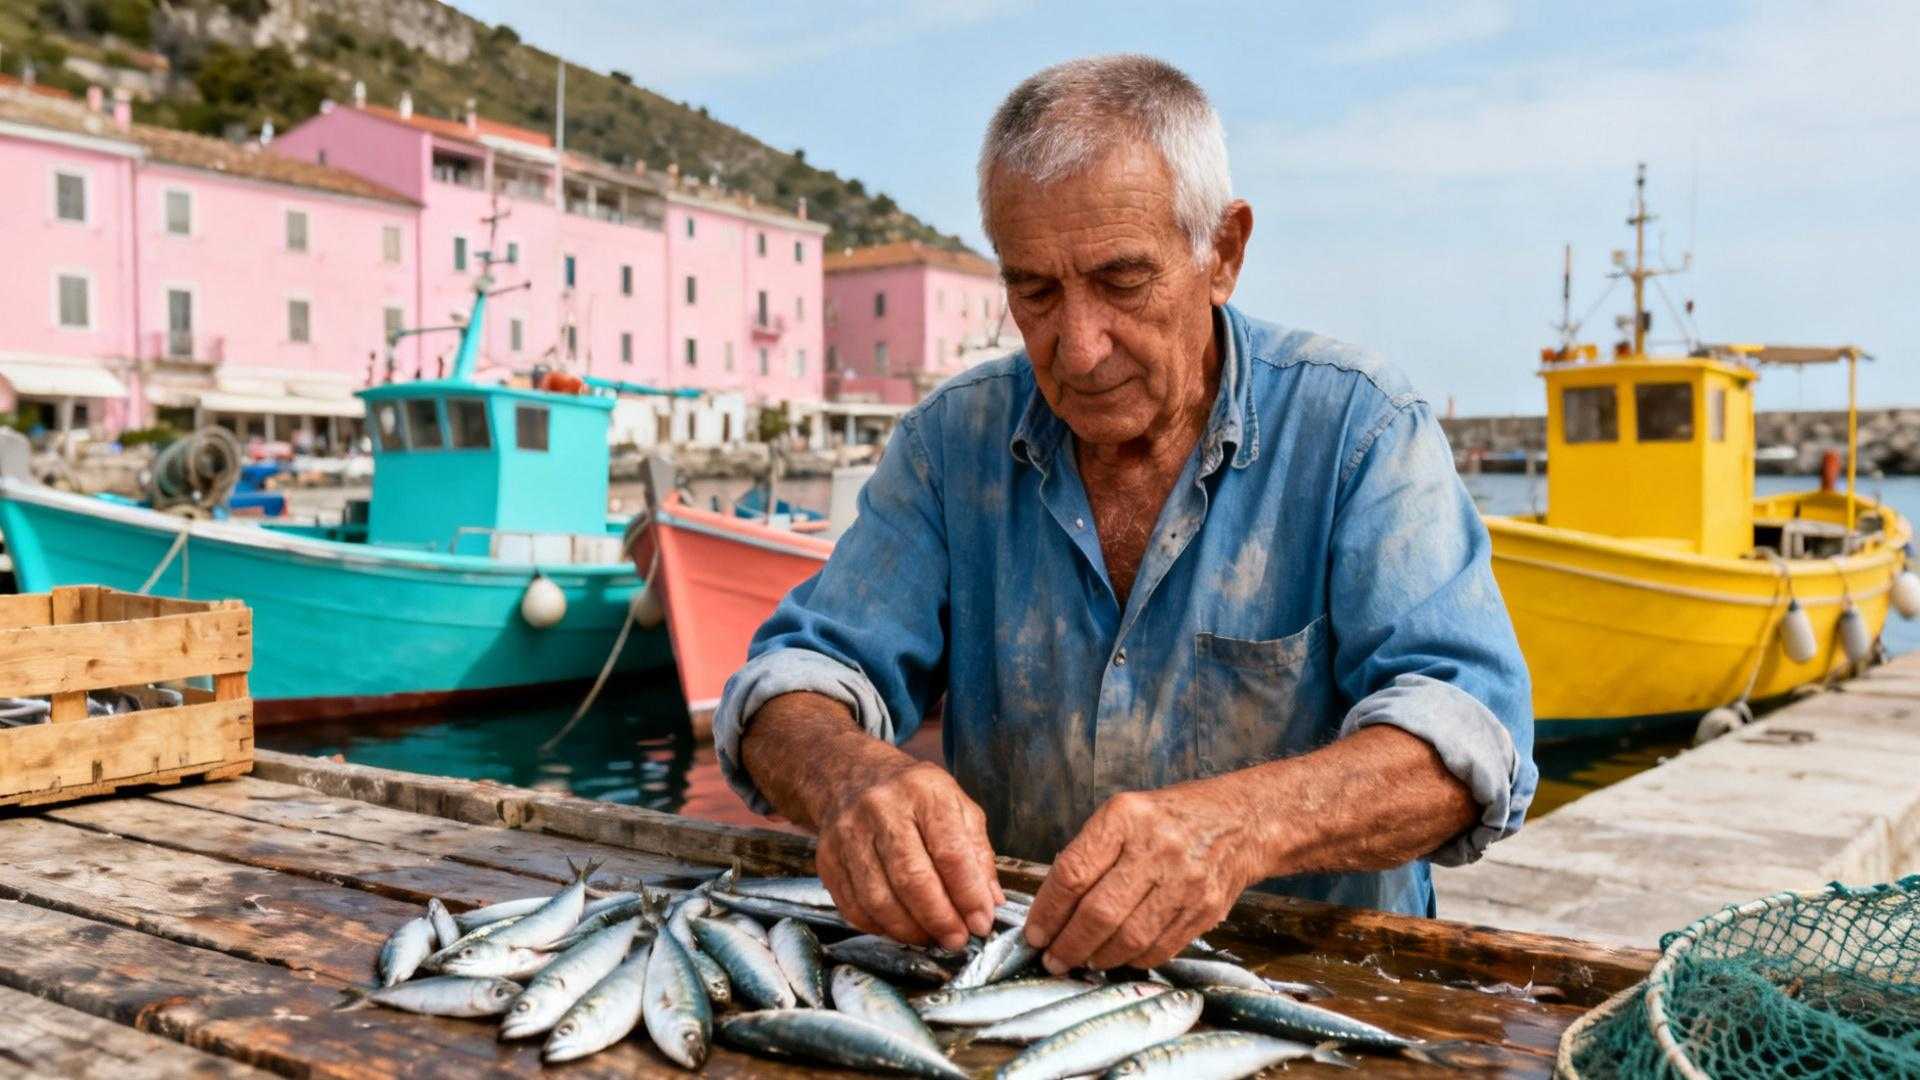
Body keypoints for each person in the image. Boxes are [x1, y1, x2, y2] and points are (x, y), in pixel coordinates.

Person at [713, 54, 1535, 976]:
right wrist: (852, 778)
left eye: (1121, 280)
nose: (1079, 343)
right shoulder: (953, 444)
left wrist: (1240, 827)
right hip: (1021, 984)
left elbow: (1470, 738)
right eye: (1034, 291)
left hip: (1316, 988)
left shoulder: (1357, 428)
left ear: (1221, 252)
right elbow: (794, 679)